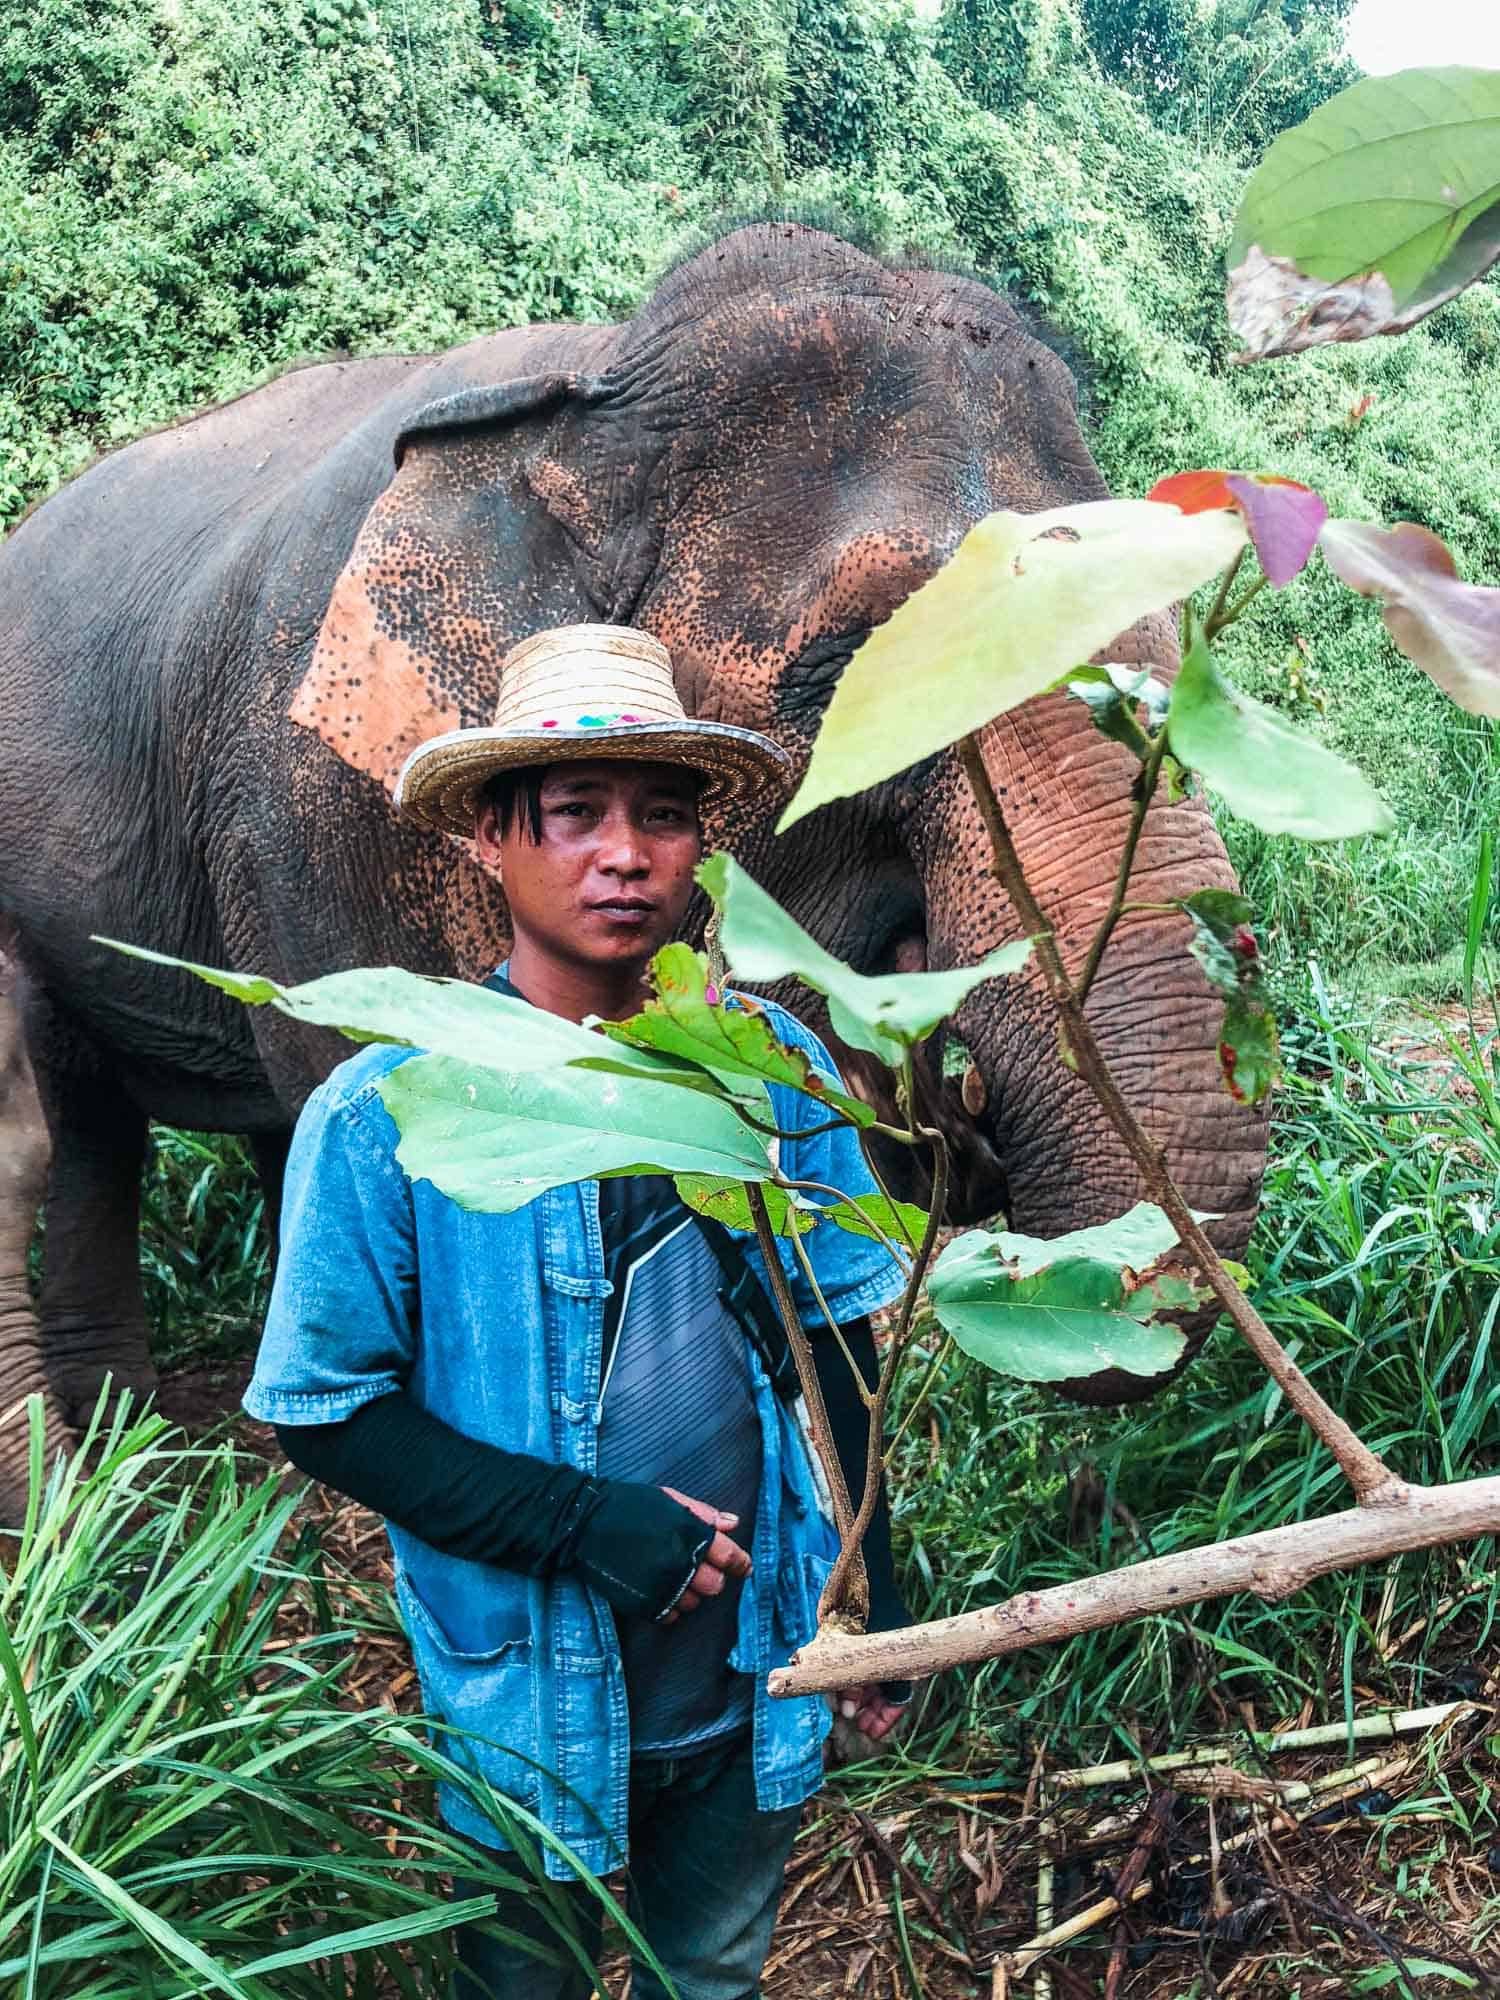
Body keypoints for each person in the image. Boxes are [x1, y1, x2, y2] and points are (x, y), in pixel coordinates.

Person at [244, 623, 912, 2000]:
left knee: (714, 1969)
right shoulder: (385, 1110)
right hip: (527, 1696)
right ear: (490, 838)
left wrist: (876, 1600)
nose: (625, 854)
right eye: (575, 815)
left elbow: (839, 1345)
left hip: (757, 1661)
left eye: (664, 818)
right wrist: (582, 1526)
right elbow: (327, 1410)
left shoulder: (774, 1067)